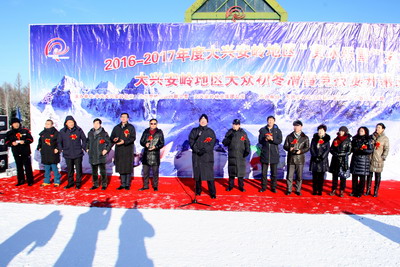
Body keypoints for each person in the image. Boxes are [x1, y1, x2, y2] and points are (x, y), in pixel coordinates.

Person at [189, 114, 217, 199]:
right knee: (198, 175)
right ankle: (198, 190)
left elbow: (211, 144)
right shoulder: (194, 131)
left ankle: (212, 193)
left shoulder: (210, 132)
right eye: (201, 119)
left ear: (207, 121)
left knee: (209, 175)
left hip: (207, 156)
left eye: (204, 119)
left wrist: (203, 150)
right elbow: (191, 141)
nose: (203, 121)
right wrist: (197, 150)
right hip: (197, 156)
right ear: (199, 121)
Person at [58, 116, 87, 189]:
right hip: (67, 153)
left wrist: (84, 147)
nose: (71, 124)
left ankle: (78, 183)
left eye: (72, 122)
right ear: (66, 123)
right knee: (69, 170)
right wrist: (61, 149)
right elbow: (59, 141)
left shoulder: (79, 130)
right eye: (69, 122)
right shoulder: (62, 131)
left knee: (78, 169)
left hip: (78, 153)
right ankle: (70, 183)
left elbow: (84, 139)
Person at [222, 119, 250, 192]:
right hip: (232, 155)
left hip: (241, 155)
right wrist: (229, 137)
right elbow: (224, 142)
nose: (235, 126)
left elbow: (247, 143)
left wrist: (247, 151)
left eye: (236, 124)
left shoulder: (243, 133)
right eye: (234, 124)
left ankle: (241, 186)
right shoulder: (229, 132)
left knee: (240, 172)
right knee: (232, 172)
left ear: (239, 125)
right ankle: (230, 186)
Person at [283, 120, 310, 196]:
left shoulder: (305, 137)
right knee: (289, 175)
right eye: (294, 126)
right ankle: (289, 189)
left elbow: (307, 147)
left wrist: (301, 151)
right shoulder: (289, 136)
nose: (296, 127)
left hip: (300, 159)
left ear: (301, 127)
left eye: (297, 126)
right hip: (291, 158)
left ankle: (298, 189)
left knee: (299, 176)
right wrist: (289, 148)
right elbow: (285, 146)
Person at [5, 118, 34, 186]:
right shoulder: (9, 133)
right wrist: (12, 143)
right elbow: (7, 141)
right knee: (19, 167)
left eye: (17, 123)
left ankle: (30, 180)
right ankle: (21, 180)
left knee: (27, 167)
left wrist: (24, 141)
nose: (16, 124)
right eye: (14, 123)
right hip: (16, 152)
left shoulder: (25, 131)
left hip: (25, 151)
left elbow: (31, 139)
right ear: (12, 124)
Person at [110, 113, 136, 190]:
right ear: (120, 118)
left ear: (127, 118)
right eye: (122, 117)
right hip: (119, 150)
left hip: (127, 149)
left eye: (125, 117)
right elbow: (112, 137)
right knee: (121, 166)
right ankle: (122, 184)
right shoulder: (116, 127)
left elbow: (132, 138)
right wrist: (114, 139)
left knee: (127, 167)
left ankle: (127, 184)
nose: (123, 118)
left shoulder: (131, 127)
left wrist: (124, 141)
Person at [257, 116, 283, 193]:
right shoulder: (263, 130)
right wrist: (265, 139)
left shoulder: (277, 131)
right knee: (264, 173)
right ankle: (263, 187)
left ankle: (273, 187)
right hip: (265, 153)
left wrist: (272, 139)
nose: (270, 122)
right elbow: (260, 141)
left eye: (271, 120)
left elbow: (279, 141)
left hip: (274, 153)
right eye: (269, 120)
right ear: (267, 121)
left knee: (274, 173)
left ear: (274, 121)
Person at [139, 119, 165, 191]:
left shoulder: (159, 132)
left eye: (154, 123)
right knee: (145, 172)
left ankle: (155, 186)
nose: (153, 125)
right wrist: (145, 144)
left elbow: (162, 143)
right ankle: (145, 186)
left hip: (155, 155)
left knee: (155, 172)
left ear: (157, 124)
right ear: (149, 124)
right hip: (146, 155)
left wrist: (155, 147)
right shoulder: (146, 131)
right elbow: (141, 141)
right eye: (151, 123)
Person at [86, 118, 112, 190]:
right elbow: (87, 142)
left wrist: (106, 150)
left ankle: (104, 184)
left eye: (97, 123)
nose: (96, 125)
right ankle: (95, 184)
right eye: (94, 123)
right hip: (92, 154)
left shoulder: (104, 134)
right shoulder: (90, 133)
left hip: (101, 155)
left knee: (102, 171)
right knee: (94, 171)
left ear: (100, 124)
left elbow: (109, 143)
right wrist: (87, 148)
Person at [350, 127, 373, 197]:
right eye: (360, 130)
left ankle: (360, 192)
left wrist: (363, 151)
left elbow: (370, 150)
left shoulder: (368, 140)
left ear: (365, 132)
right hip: (355, 160)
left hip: (363, 161)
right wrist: (355, 149)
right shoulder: (354, 139)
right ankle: (354, 191)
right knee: (354, 177)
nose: (361, 132)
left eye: (362, 131)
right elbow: (351, 149)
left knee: (362, 178)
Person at [37, 119, 61, 187]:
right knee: (46, 168)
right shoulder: (43, 133)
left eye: (48, 124)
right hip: (45, 153)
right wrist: (39, 147)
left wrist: (57, 148)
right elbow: (40, 142)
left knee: (54, 167)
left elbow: (59, 142)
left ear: (52, 125)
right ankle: (47, 181)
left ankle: (57, 180)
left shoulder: (56, 133)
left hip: (53, 153)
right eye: (46, 124)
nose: (47, 125)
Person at [329, 126, 352, 197]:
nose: (341, 132)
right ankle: (333, 189)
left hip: (343, 160)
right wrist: (335, 153)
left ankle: (342, 190)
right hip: (335, 160)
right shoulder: (335, 139)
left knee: (343, 177)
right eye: (340, 131)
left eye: (342, 131)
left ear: (345, 132)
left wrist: (342, 154)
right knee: (334, 176)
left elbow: (349, 151)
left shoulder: (348, 140)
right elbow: (331, 149)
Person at [368, 123, 389, 197]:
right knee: (369, 175)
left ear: (383, 129)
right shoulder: (371, 137)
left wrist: (383, 157)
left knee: (377, 175)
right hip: (370, 158)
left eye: (379, 128)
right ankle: (368, 189)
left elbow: (386, 149)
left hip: (378, 159)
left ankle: (375, 191)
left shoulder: (384, 138)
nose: (377, 129)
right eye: (377, 127)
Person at [309, 124, 331, 195]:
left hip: (323, 161)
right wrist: (315, 156)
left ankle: (320, 190)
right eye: (319, 130)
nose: (320, 132)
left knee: (321, 177)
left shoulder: (327, 139)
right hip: (314, 160)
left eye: (322, 130)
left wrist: (321, 157)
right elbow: (312, 148)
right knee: (315, 176)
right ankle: (315, 190)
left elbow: (327, 150)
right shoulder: (314, 138)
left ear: (325, 131)